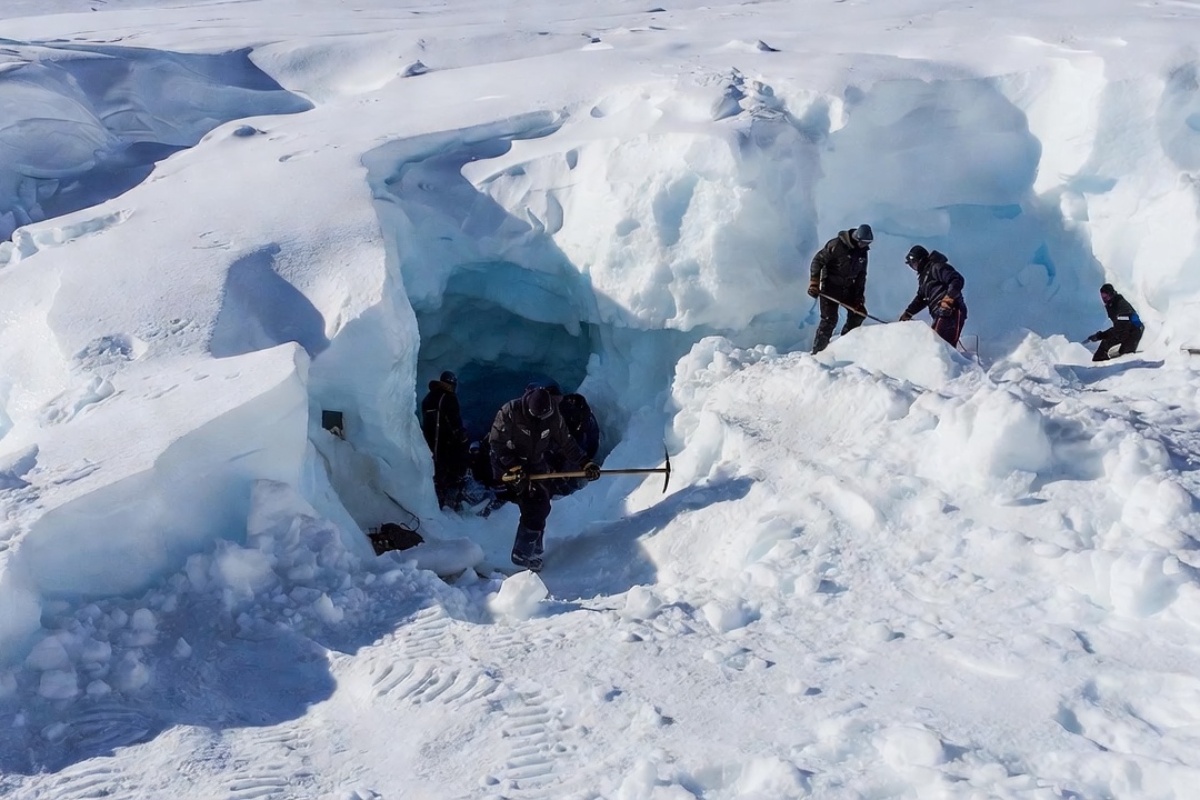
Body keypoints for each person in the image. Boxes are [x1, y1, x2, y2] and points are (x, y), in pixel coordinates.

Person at [488, 385, 601, 571]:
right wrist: (512, 466)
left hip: (535, 462)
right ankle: (522, 553)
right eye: (539, 417)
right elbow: (496, 443)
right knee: (534, 505)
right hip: (510, 464)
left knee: (542, 503)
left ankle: (534, 545)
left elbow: (566, 442)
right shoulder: (510, 412)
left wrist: (585, 463)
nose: (543, 420)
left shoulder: (552, 415)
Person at [808, 223, 873, 353]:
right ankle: (818, 352)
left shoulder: (863, 253)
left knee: (859, 314)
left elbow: (861, 276)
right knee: (829, 320)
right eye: (863, 242)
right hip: (830, 287)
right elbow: (817, 261)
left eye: (868, 243)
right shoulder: (836, 245)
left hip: (848, 289)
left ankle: (844, 345)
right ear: (857, 239)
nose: (865, 245)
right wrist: (814, 282)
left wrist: (858, 299)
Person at [898, 245, 968, 347]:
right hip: (941, 314)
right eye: (912, 265)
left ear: (921, 260)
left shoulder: (937, 267)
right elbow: (921, 298)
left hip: (952, 311)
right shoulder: (925, 278)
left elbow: (956, 279)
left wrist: (948, 299)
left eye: (914, 263)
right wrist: (908, 313)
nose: (914, 267)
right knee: (935, 345)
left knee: (941, 346)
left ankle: (953, 363)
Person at [420, 370, 468, 510]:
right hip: (445, 442)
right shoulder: (448, 398)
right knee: (452, 469)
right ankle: (450, 500)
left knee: (436, 468)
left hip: (429, 440)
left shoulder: (428, 398)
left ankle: (436, 497)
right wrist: (461, 437)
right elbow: (454, 421)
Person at [547, 392, 601, 497]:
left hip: (578, 450)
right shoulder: (558, 416)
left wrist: (587, 462)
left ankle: (567, 491)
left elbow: (589, 444)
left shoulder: (582, 424)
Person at [1087, 283, 1144, 361]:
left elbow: (1120, 329)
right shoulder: (1112, 304)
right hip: (1127, 330)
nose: (1104, 299)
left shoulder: (1121, 305)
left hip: (1133, 331)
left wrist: (1101, 336)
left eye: (1106, 296)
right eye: (1102, 297)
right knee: (1120, 349)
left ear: (1111, 294)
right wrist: (1100, 335)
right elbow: (1118, 328)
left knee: (1122, 354)